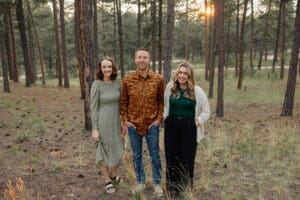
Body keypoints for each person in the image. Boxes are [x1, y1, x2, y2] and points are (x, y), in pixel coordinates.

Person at [120, 48, 164, 196]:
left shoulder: (158, 79)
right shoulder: (127, 80)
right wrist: (126, 121)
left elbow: (160, 102)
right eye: (139, 57)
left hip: (152, 125)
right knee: (137, 155)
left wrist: (158, 120)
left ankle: (158, 183)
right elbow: (123, 103)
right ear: (135, 60)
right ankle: (140, 182)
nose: (142, 60)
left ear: (149, 60)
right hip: (133, 125)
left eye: (145, 57)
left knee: (155, 155)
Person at [163, 61, 210, 197]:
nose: (182, 76)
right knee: (172, 156)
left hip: (189, 127)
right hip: (172, 126)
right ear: (176, 73)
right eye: (180, 72)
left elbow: (206, 111)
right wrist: (166, 118)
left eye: (185, 73)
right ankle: (172, 187)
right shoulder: (170, 87)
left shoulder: (197, 91)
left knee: (187, 159)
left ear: (190, 76)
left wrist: (197, 122)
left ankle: (184, 189)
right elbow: (166, 105)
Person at [90, 56, 124, 194]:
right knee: (103, 152)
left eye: (109, 66)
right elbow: (94, 107)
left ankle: (113, 174)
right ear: (100, 69)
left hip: (116, 122)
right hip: (103, 122)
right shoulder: (97, 84)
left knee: (119, 151)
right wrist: (94, 128)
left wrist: (124, 121)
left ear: (113, 67)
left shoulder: (118, 83)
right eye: (104, 67)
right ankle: (107, 180)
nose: (107, 69)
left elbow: (123, 104)